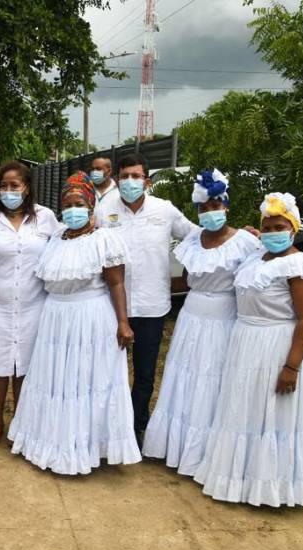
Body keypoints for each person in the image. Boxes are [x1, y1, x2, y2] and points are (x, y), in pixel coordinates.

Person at [193, 193, 303, 507]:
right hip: (246, 343)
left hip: (278, 345)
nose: (272, 232)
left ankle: (273, 487)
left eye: (279, 226)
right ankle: (240, 479)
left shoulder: (301, 264)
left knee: (274, 415)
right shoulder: (255, 257)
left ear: (293, 228)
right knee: (245, 409)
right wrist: (251, 234)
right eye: (267, 227)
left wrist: (291, 367)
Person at [8, 172, 139, 473]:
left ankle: (86, 446)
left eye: (78, 203)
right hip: (55, 319)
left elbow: (117, 284)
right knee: (57, 380)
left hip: (91, 318)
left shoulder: (105, 239)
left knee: (86, 380)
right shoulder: (56, 238)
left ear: (91, 206)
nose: (71, 209)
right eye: (66, 204)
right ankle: (51, 441)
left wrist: (123, 322)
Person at [142, 170, 261, 475]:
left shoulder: (245, 241)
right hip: (192, 316)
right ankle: (177, 447)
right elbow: (187, 277)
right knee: (186, 375)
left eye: (215, 206)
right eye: (204, 209)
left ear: (226, 207)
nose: (210, 213)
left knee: (215, 377)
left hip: (224, 316)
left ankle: (209, 452)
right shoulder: (193, 240)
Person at [95, 154, 198, 446]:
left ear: (147, 181)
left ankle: (137, 425)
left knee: (144, 374)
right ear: (117, 178)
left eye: (136, 176)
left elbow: (194, 234)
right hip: (112, 306)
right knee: (109, 371)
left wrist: (234, 235)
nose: (130, 182)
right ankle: (110, 428)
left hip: (152, 306)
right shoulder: (104, 210)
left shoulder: (163, 210)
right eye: (125, 176)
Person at [0, 161, 60, 447]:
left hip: (35, 305)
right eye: (4, 186)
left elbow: (62, 250)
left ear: (27, 188)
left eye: (14, 185)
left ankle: (22, 423)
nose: (9, 191)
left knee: (26, 369)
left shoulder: (45, 218)